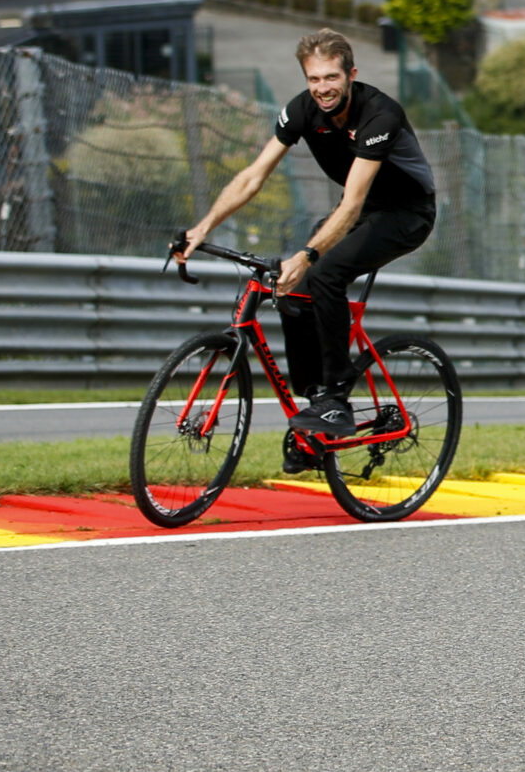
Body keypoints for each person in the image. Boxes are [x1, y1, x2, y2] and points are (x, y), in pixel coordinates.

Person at [174, 29, 437, 455]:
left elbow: (351, 205)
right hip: (361, 211)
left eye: (331, 78)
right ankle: (313, 408)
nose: (322, 89)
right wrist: (202, 228)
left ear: (351, 74)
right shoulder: (301, 111)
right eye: (313, 79)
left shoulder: (379, 115)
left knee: (326, 272)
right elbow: (253, 176)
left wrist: (309, 253)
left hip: (406, 214)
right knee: (291, 286)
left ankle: (335, 399)